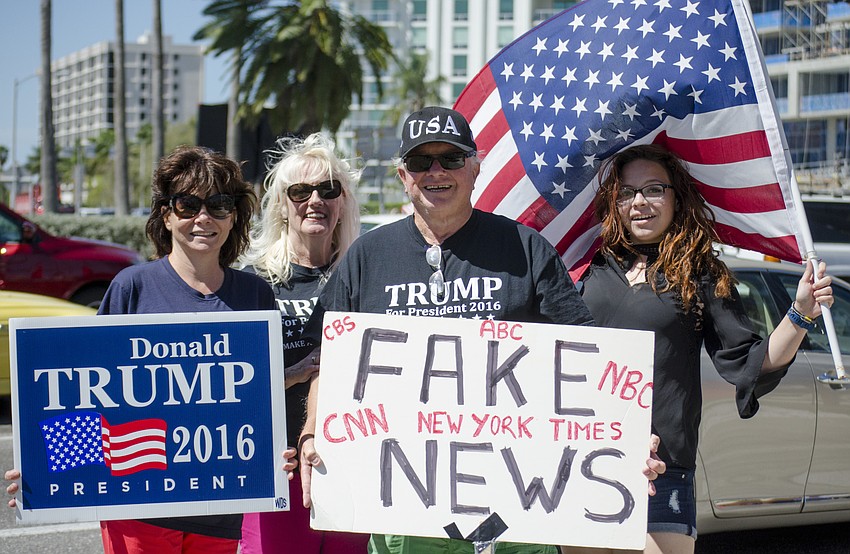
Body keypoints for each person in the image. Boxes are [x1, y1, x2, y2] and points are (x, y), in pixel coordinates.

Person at [296, 107, 665, 554]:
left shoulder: (525, 248)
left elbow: (584, 354)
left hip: (520, 510)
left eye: (450, 159)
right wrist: (312, 430)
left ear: (474, 168)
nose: (436, 172)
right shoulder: (366, 257)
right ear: (402, 175)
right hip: (406, 514)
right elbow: (329, 364)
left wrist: (624, 439)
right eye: (420, 162)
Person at [5, 146, 297, 554]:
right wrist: (44, 464)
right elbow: (88, 396)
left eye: (218, 205)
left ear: (234, 216)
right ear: (166, 214)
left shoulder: (254, 295)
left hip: (223, 507)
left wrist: (273, 453)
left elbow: (257, 402)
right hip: (139, 508)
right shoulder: (131, 288)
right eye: (188, 204)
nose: (203, 218)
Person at [568, 144, 834, 554]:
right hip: (582, 458)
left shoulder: (701, 273)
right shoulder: (585, 266)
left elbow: (749, 362)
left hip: (663, 466)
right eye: (626, 192)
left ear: (677, 197)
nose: (639, 202)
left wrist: (799, 313)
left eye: (654, 189)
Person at [238, 133, 368, 553]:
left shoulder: (366, 277)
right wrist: (290, 376)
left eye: (329, 189)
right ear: (281, 204)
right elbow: (230, 383)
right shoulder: (252, 282)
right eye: (300, 191)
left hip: (351, 465)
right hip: (279, 468)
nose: (315, 200)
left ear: (343, 202)